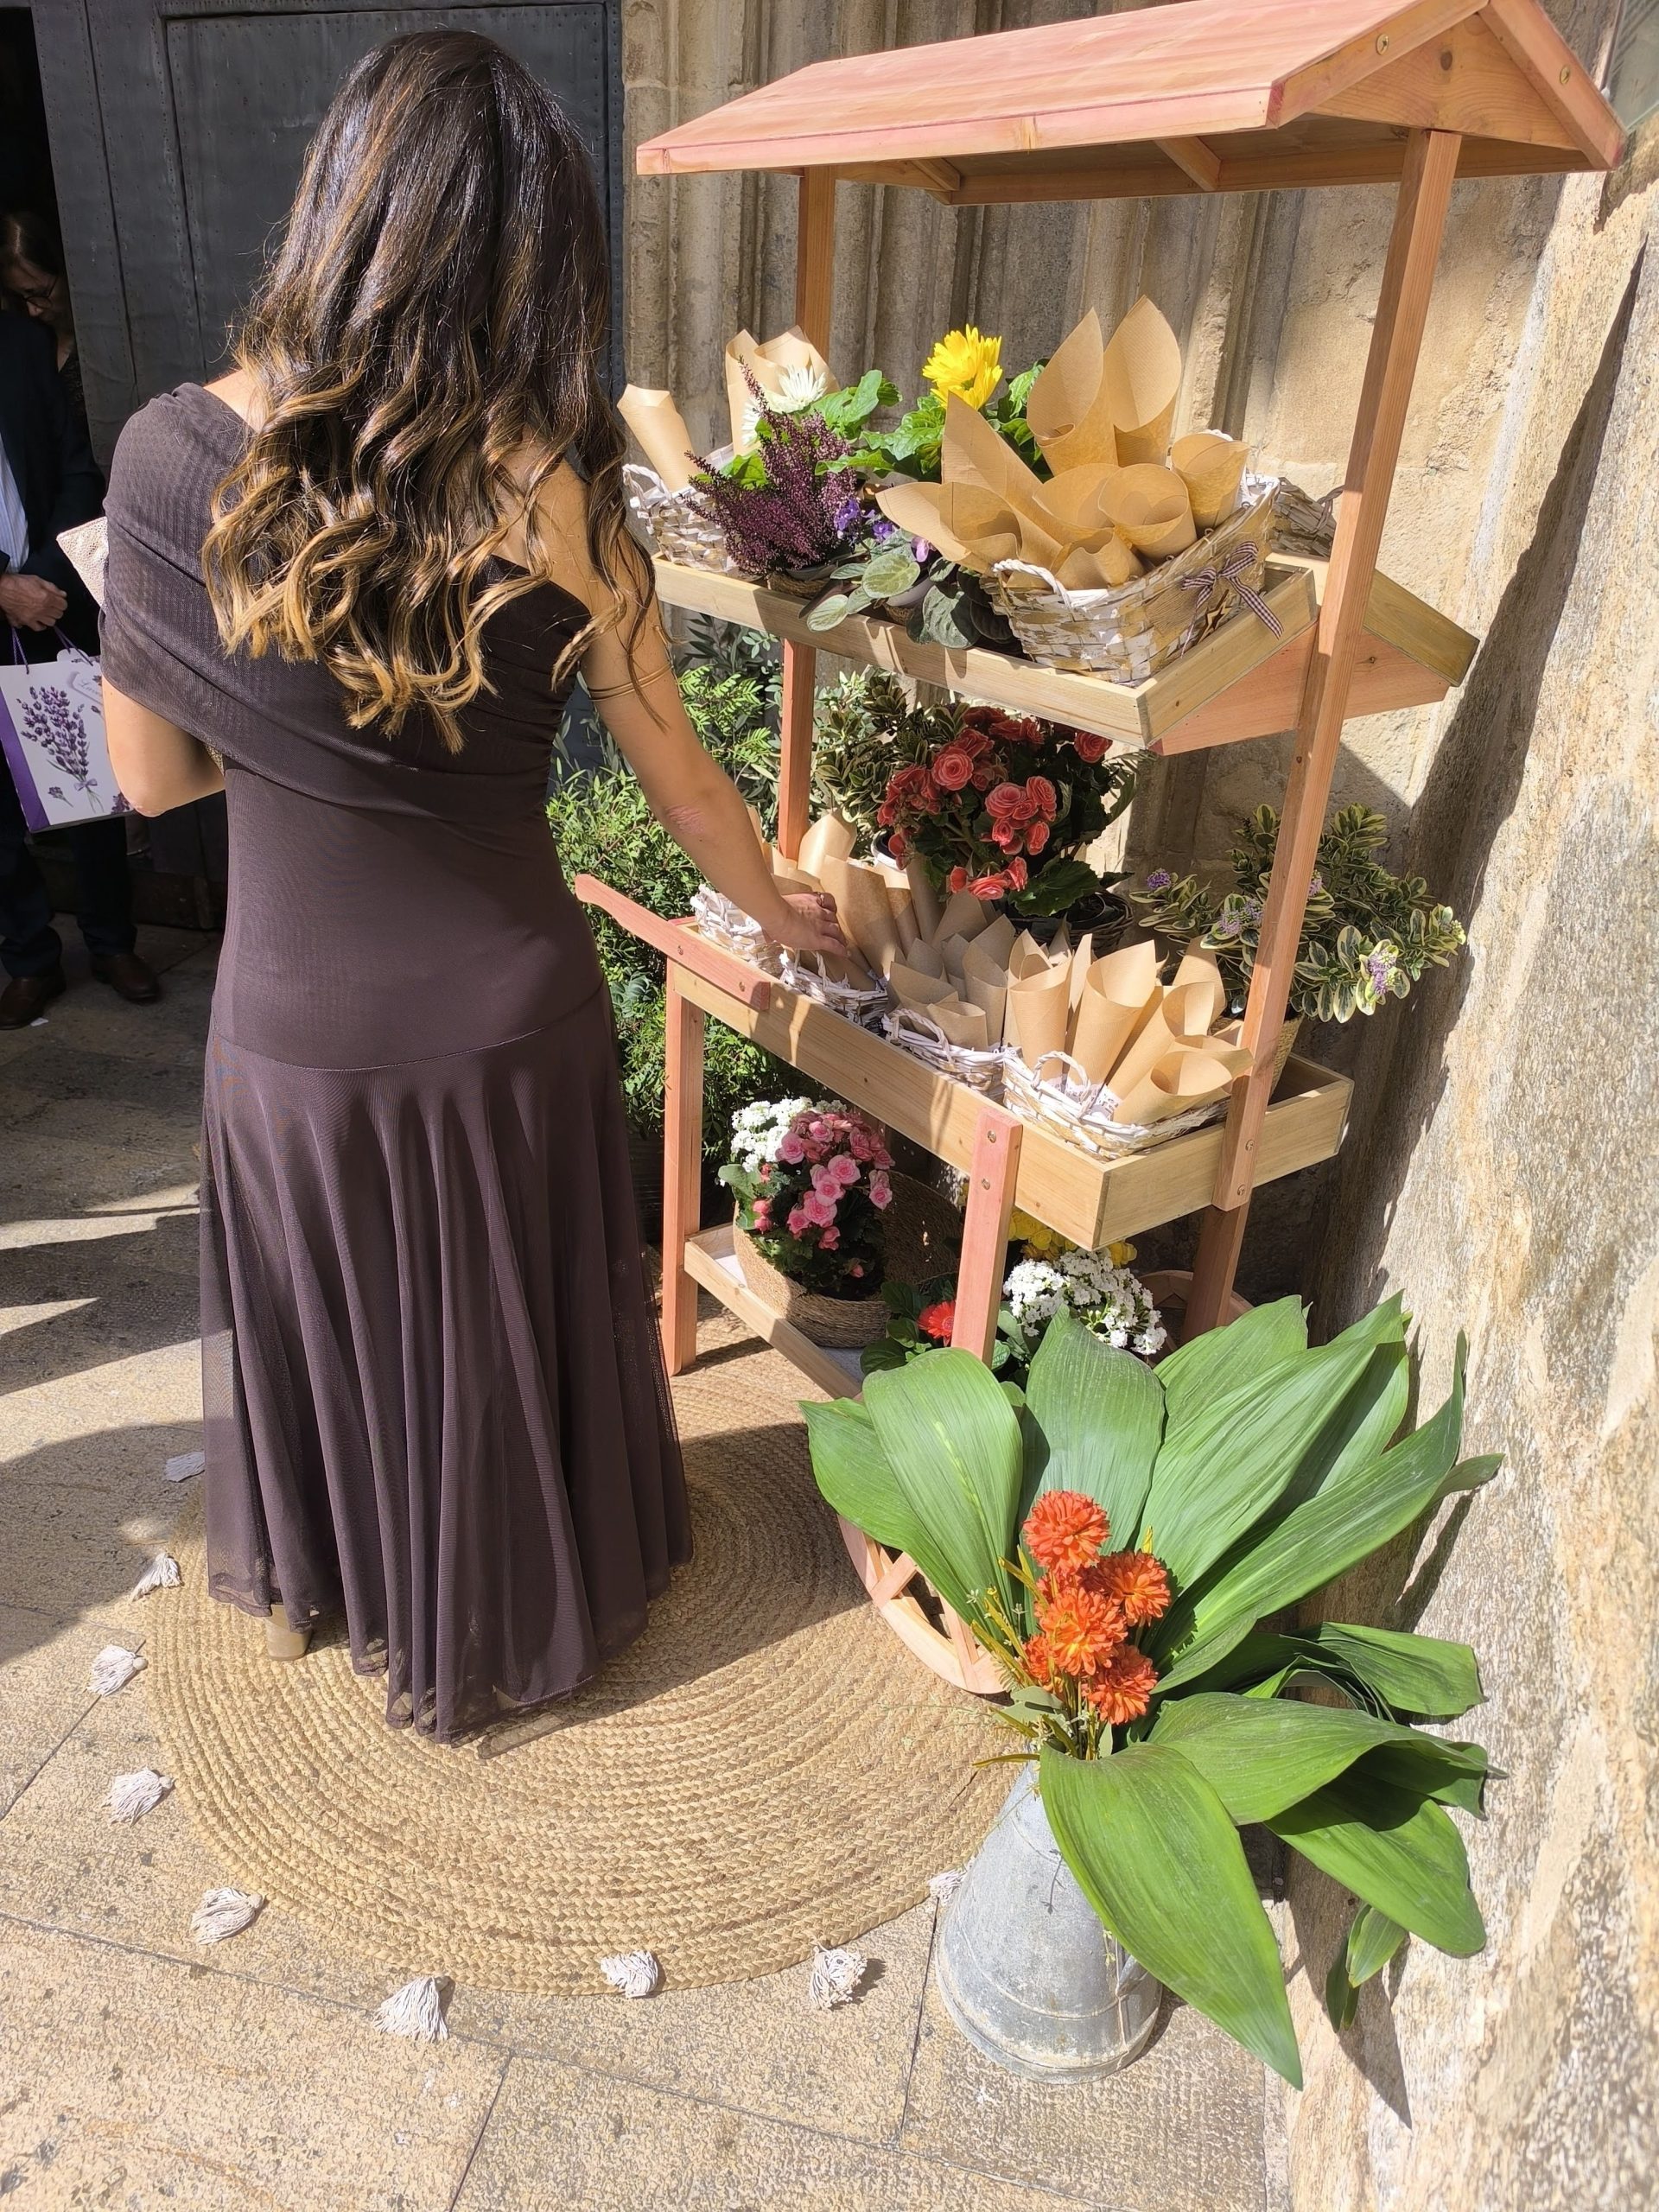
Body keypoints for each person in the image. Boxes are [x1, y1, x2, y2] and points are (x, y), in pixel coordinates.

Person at [98, 30, 844, 1740]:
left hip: (300, 1030)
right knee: (506, 1335)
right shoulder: (566, 492)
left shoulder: (167, 462)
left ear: (338, 206)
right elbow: (688, 782)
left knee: (361, 1334)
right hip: (517, 1019)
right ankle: (535, 1577)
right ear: (532, 261)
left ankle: (384, 1586)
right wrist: (779, 910)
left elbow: (149, 783)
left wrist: (289, 730)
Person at [0, 304, 158, 1024]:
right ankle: (30, 959)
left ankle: (111, 943)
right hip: (11, 597)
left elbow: (75, 469)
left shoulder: (20, 343)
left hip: (50, 599)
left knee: (87, 782)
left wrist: (40, 578)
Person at [2, 209, 87, 431]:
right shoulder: (28, 342)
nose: (33, 310)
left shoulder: (99, 336)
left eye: (41, 293)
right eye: (21, 297)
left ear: (66, 270)